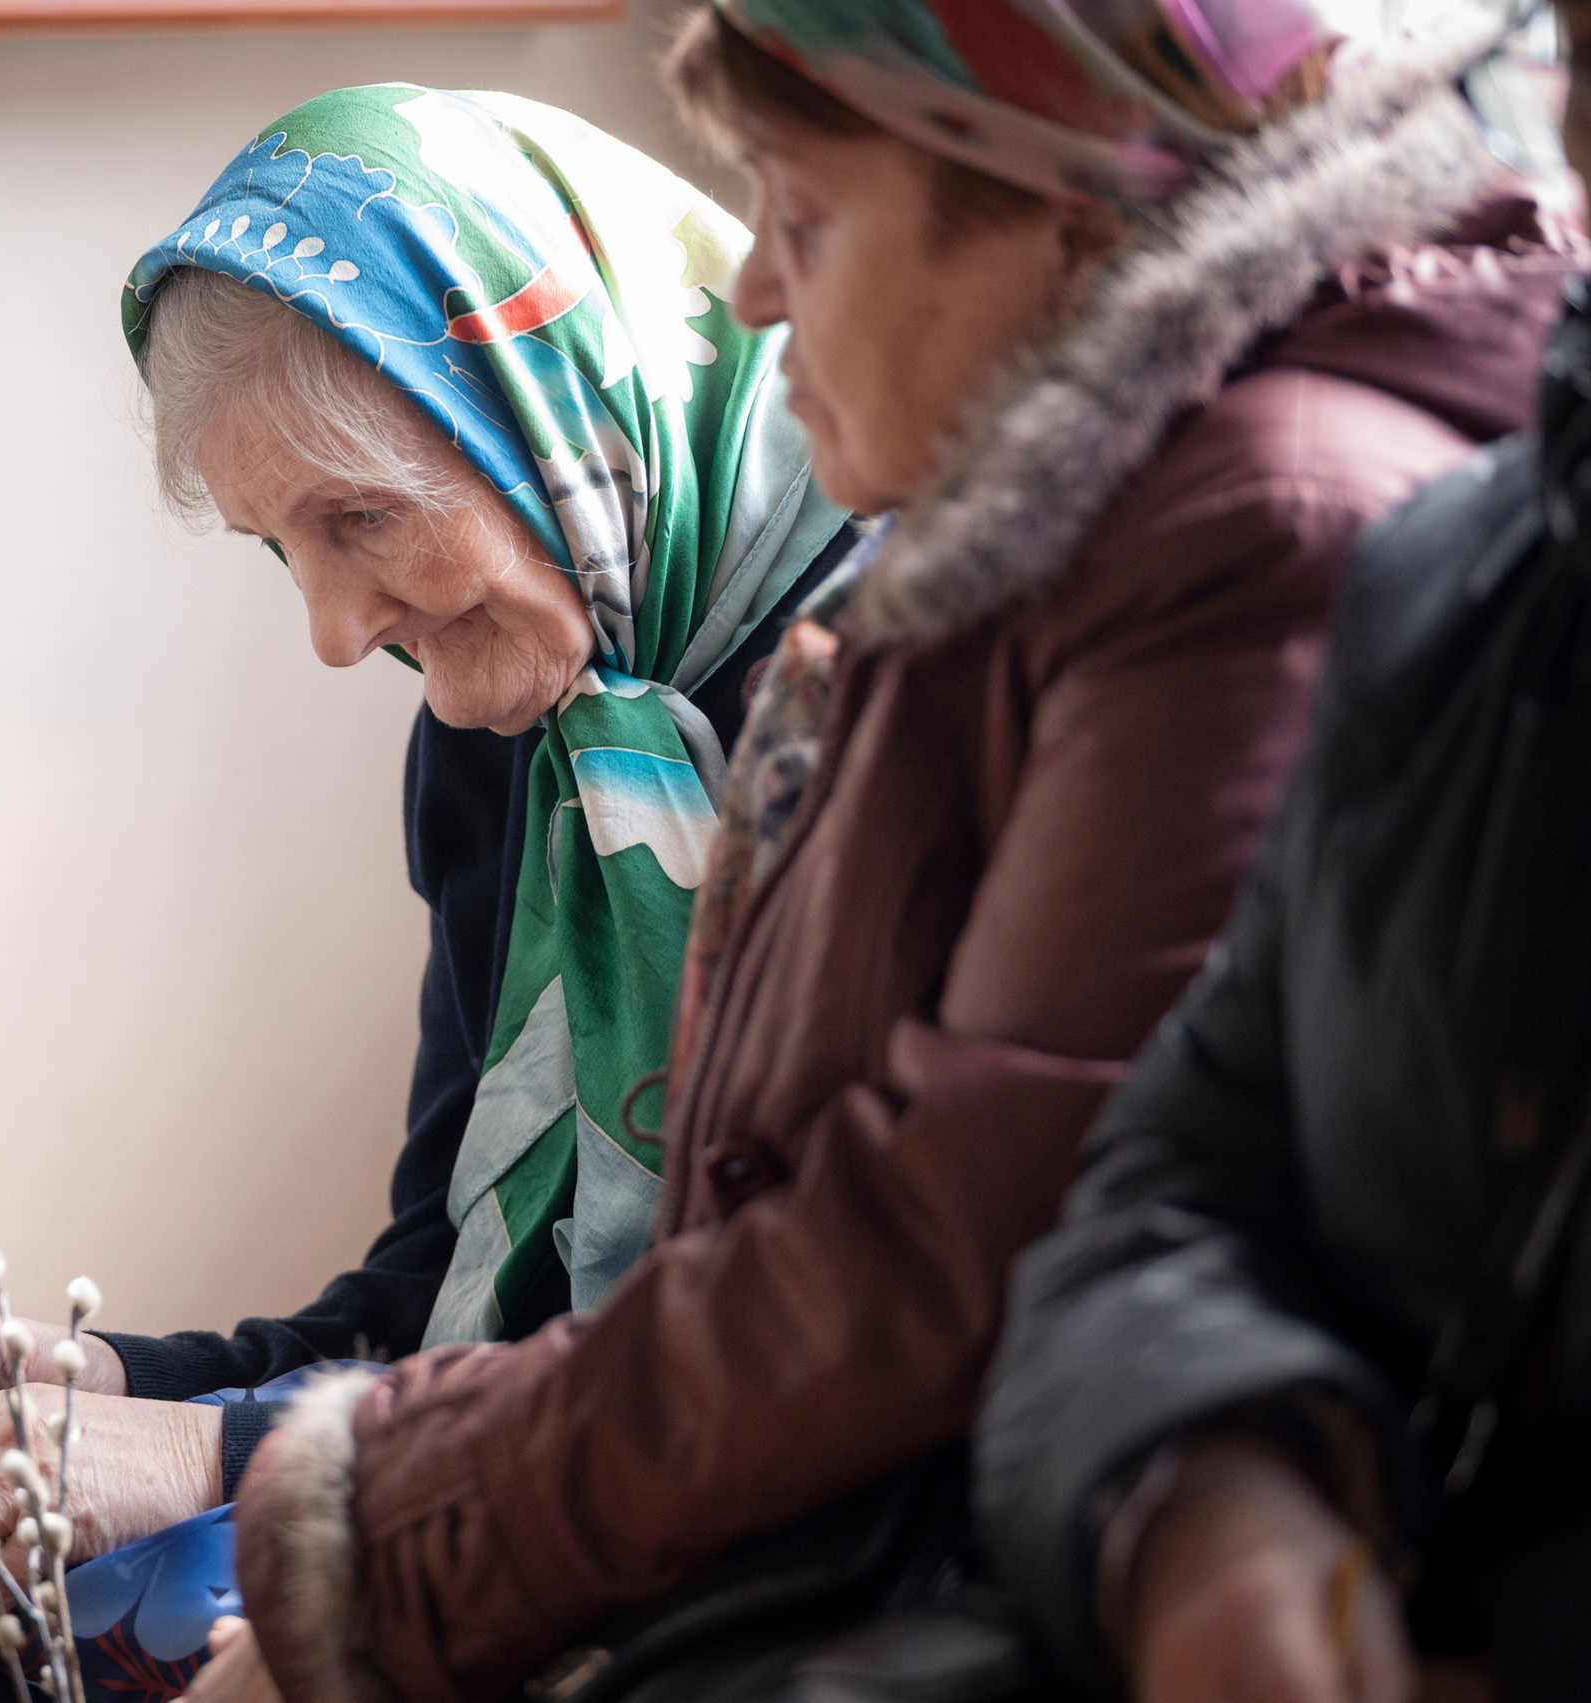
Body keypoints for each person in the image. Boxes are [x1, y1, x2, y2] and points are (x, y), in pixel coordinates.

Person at [184, 6, 1583, 1702]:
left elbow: (940, 1236)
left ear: (1061, 212)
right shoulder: (1004, 564)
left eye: (808, 212)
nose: (753, 290)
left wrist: (358, 1560)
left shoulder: (1233, 533)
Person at [0, 82, 856, 1642]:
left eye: (361, 519)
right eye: (279, 547)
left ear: (559, 416)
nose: (335, 631)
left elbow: (818, 1344)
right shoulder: (507, 730)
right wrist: (114, 1390)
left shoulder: (897, 696)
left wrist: (220, 1451)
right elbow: (438, 1294)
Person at [974, 6, 1591, 1699]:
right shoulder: (1453, 587)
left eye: (803, 216)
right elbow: (1173, 1180)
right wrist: (1210, 1499)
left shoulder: (1274, 518)